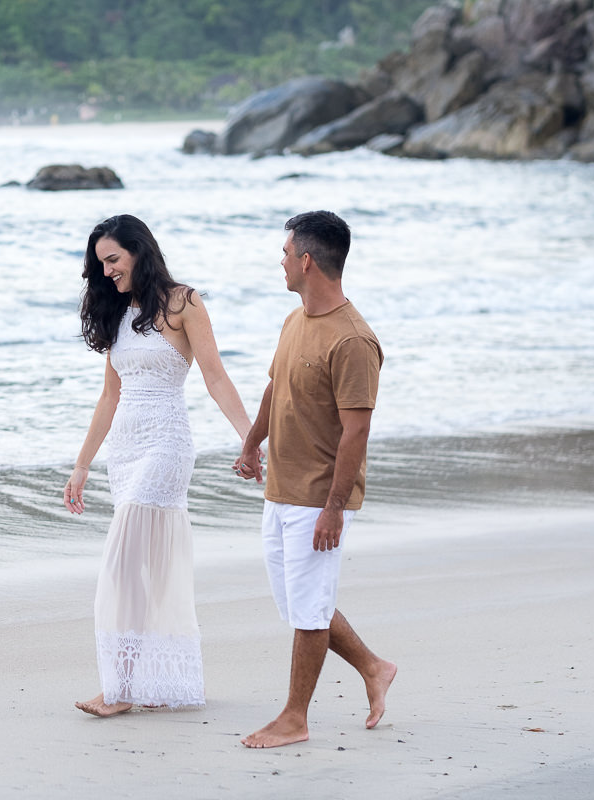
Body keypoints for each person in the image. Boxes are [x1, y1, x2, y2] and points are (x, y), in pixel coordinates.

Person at [63, 214, 255, 717]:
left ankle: (120, 689)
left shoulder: (184, 302)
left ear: (138, 252)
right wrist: (82, 466)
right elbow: (109, 396)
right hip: (124, 450)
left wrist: (252, 441)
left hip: (166, 443)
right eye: (99, 264)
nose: (105, 272)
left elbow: (215, 377)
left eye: (113, 260)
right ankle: (134, 681)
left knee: (123, 563)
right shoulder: (121, 314)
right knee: (134, 570)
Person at [234, 210, 397, 748]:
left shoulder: (353, 341)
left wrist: (333, 507)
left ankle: (295, 718)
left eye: (285, 253)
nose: (279, 261)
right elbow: (273, 389)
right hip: (279, 487)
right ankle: (374, 667)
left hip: (317, 498)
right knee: (302, 604)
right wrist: (253, 441)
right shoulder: (294, 319)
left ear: (306, 261)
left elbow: (357, 433)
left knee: (308, 610)